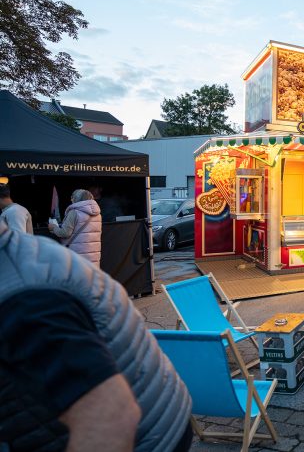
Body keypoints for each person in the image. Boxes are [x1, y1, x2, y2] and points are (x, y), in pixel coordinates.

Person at [0, 221, 192, 452]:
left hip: (147, 438)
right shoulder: (32, 253)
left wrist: (55, 227)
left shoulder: (25, 300)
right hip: (162, 413)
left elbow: (111, 418)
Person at [48, 189, 102, 267]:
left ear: (77, 199)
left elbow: (65, 233)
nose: (71, 200)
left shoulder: (74, 212)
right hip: (93, 257)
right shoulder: (98, 214)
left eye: (73, 197)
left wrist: (53, 227)